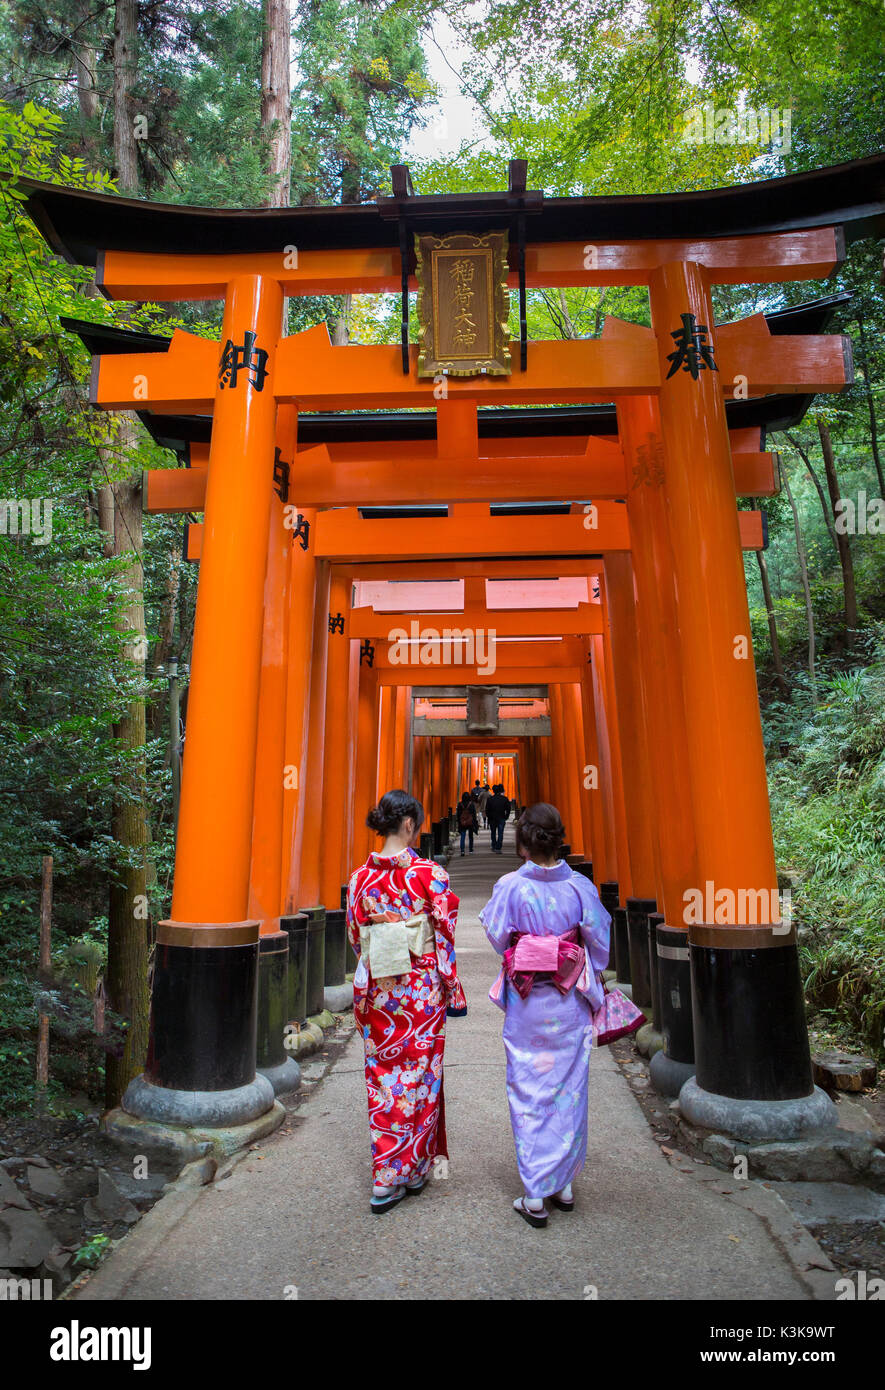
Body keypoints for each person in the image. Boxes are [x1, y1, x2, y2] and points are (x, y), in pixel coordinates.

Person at [479, 802, 610, 1228]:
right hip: (568, 1001)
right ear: (559, 839)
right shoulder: (579, 888)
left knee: (530, 1089)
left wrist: (532, 946)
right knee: (569, 1088)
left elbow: (500, 940)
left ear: (523, 842)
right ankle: (564, 1184)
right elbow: (600, 947)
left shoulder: (511, 887)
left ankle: (535, 1192)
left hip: (527, 1002)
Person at [346, 789, 467, 1214]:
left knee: (382, 1079)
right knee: (421, 1077)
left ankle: (388, 1174)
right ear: (411, 824)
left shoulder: (361, 878)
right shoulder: (429, 875)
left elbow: (356, 939)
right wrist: (452, 988)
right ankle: (412, 1167)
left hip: (381, 990)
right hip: (421, 992)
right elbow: (445, 935)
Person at [486, 783, 511, 854]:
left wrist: (489, 817)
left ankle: (494, 845)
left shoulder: (490, 799)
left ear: (493, 791)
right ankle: (498, 847)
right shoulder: (504, 799)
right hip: (501, 817)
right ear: (500, 791)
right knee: (500, 833)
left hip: (492, 818)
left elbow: (487, 809)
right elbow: (508, 809)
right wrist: (506, 816)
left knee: (493, 832)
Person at [457, 789, 478, 855]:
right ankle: (470, 850)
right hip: (470, 822)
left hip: (463, 822)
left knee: (463, 836)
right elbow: (474, 814)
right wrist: (475, 821)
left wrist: (459, 822)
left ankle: (462, 850)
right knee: (470, 836)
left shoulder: (460, 804)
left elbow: (458, 814)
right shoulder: (471, 804)